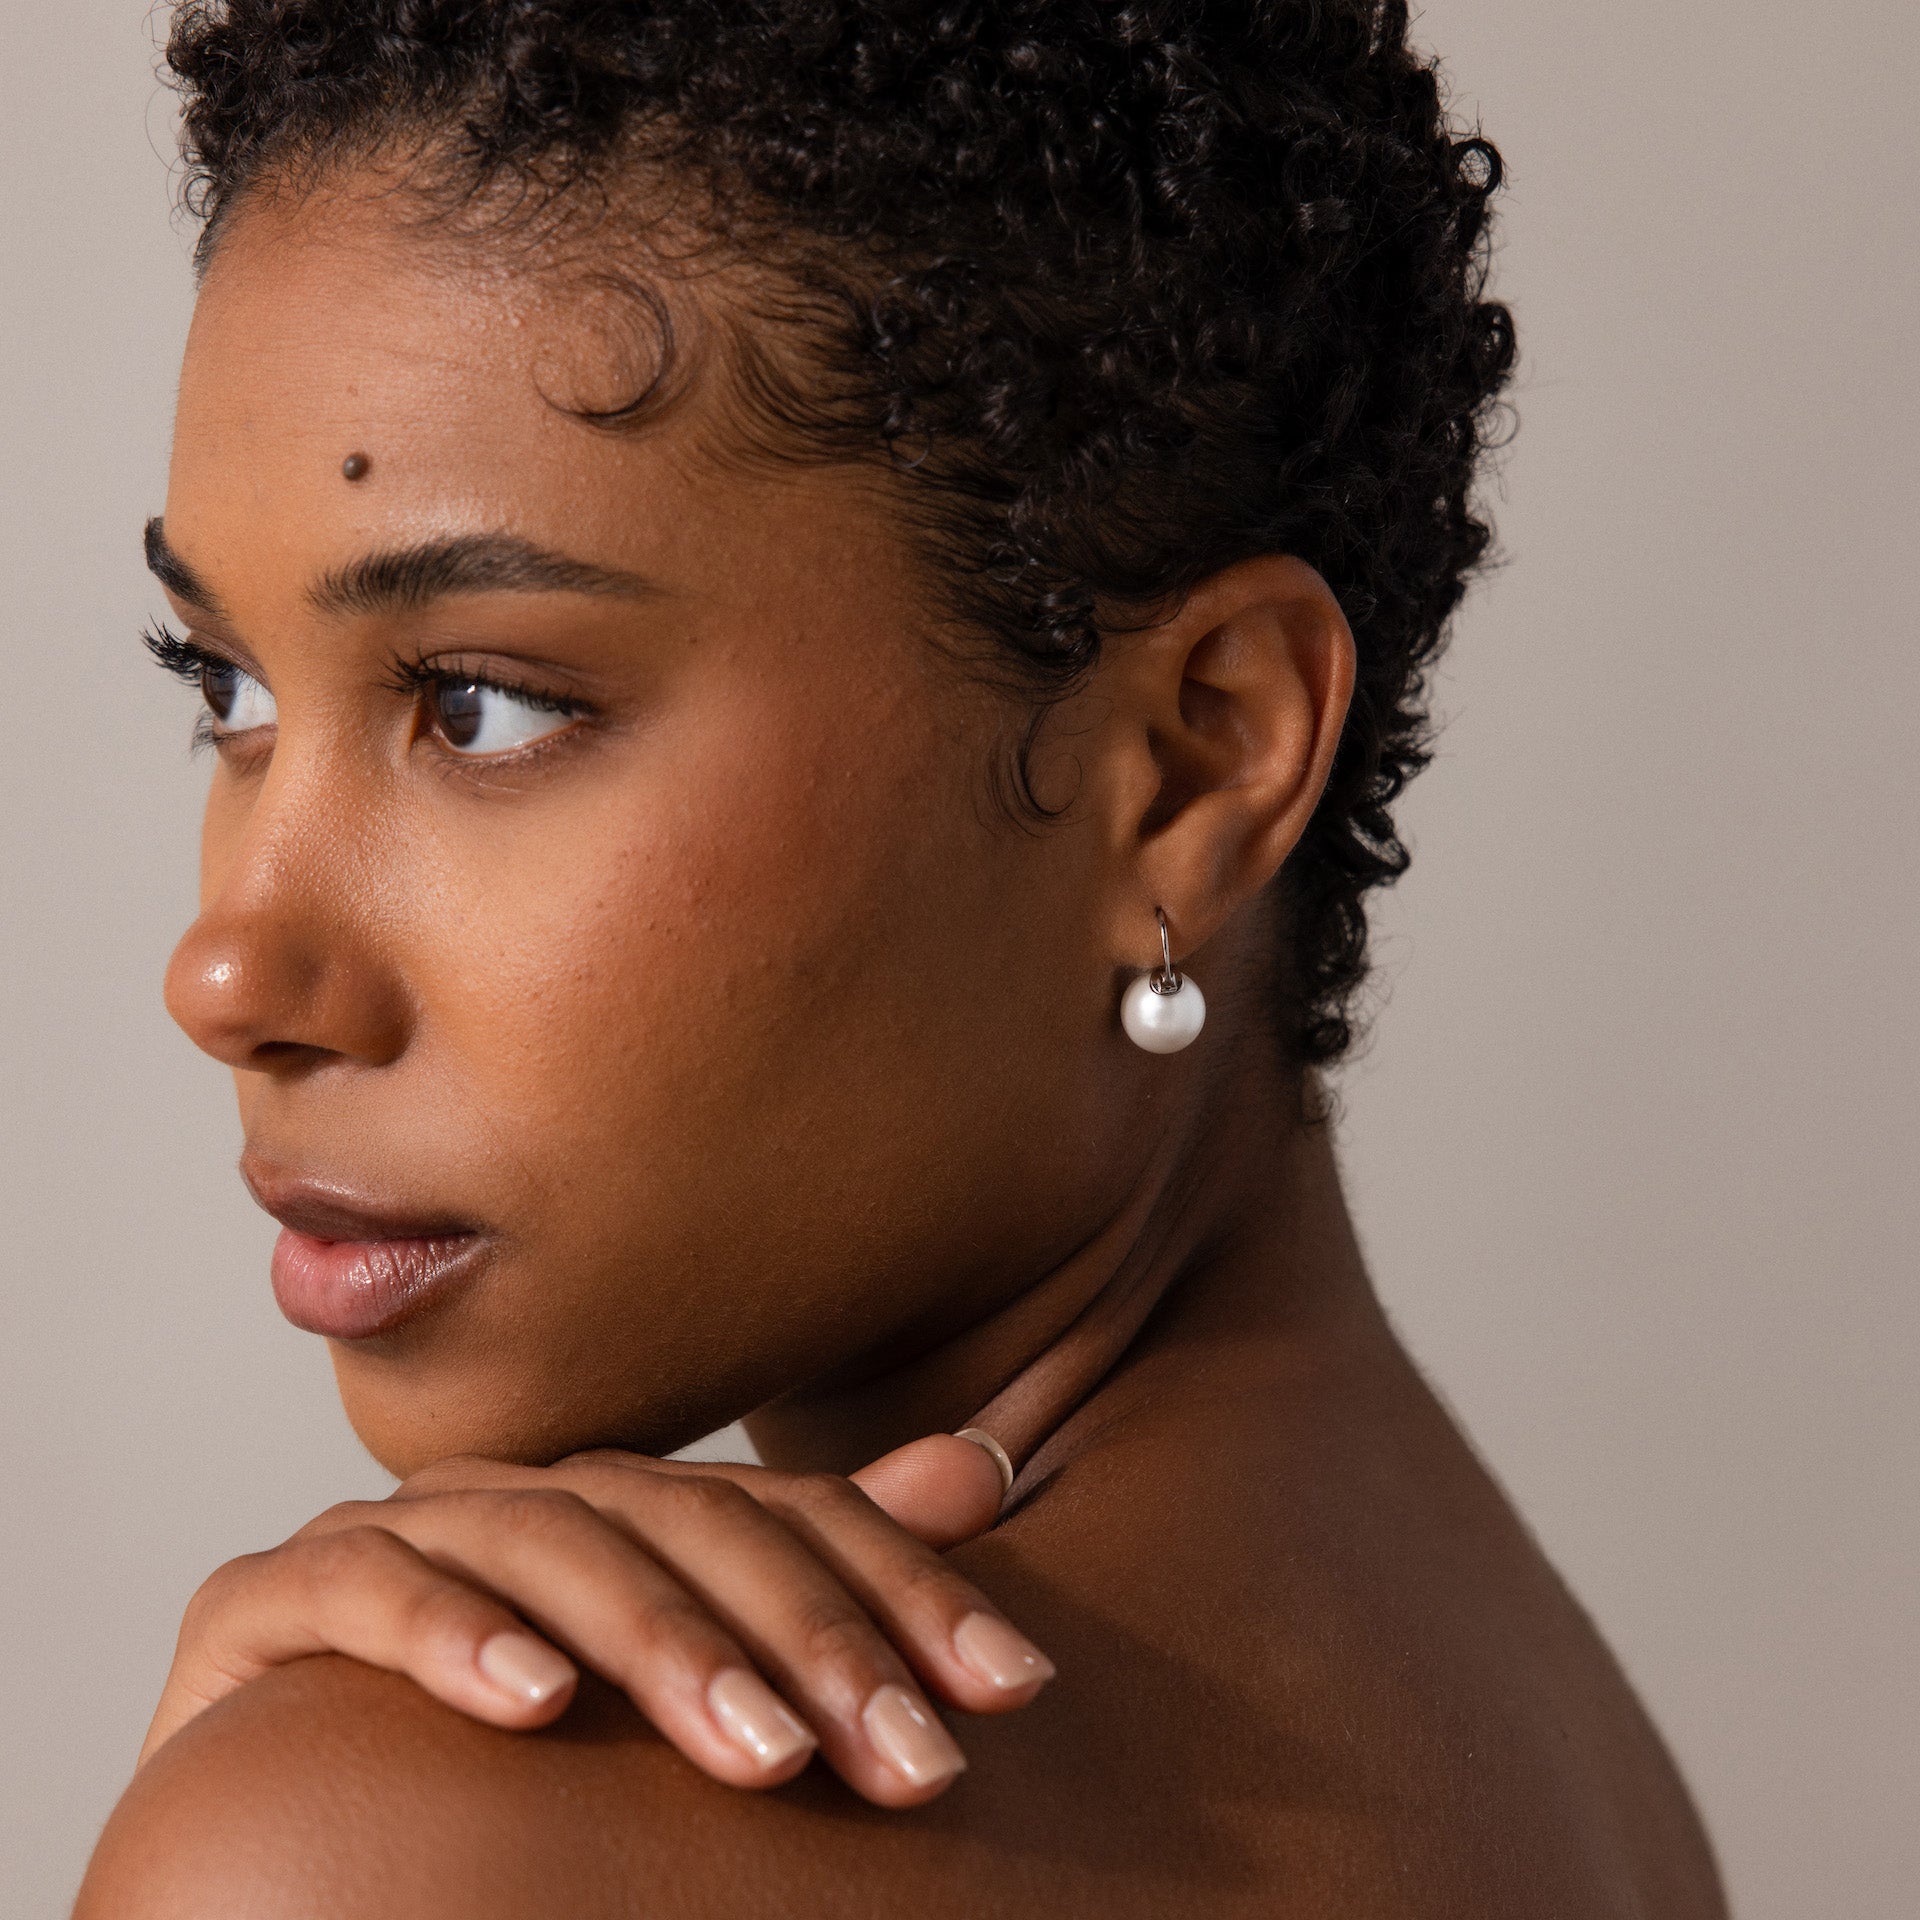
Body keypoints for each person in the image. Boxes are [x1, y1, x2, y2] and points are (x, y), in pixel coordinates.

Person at [76, 3, 1729, 1913]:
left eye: (487, 706)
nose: (230, 971)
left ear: (1191, 760)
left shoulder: (414, 1841)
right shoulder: (1536, 1743)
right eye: (230, 683)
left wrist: (247, 1821)